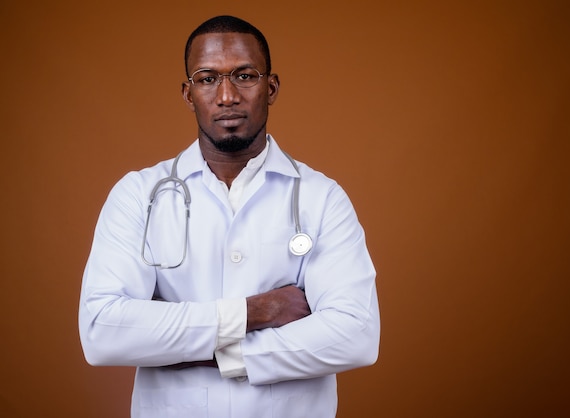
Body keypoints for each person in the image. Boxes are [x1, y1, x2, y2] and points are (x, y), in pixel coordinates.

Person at [78, 15, 380, 418]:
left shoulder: (321, 198)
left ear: (271, 88)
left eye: (245, 75)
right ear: (188, 94)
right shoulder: (138, 195)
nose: (226, 96)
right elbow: (103, 332)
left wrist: (221, 356)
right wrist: (257, 312)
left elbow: (355, 335)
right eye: (207, 79)